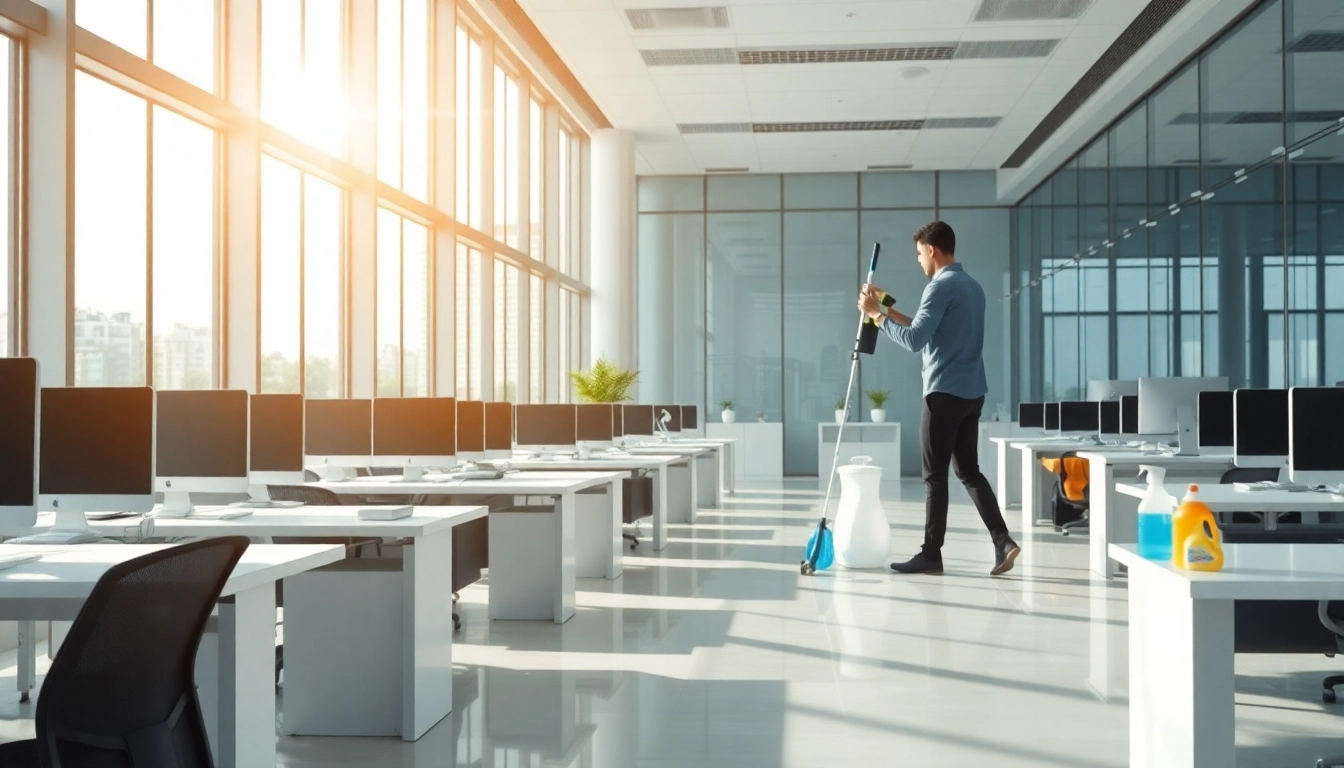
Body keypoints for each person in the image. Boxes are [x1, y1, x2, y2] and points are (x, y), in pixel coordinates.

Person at [857, 221, 1020, 576]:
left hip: (943, 394)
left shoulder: (939, 287)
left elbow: (914, 340)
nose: (918, 260)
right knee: (969, 472)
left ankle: (931, 555)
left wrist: (874, 316)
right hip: (971, 394)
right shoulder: (972, 287)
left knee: (934, 478)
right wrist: (884, 305)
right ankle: (1003, 541)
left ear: (931, 250)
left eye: (919, 253)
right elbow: (925, 327)